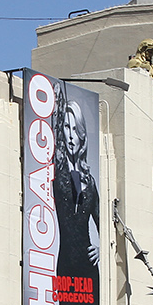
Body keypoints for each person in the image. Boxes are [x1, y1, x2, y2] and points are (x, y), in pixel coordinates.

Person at [53, 95, 100, 277]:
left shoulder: (90, 182)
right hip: (65, 267)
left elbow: (104, 224)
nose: (71, 135)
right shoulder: (57, 171)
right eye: (67, 127)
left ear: (81, 133)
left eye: (75, 128)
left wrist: (101, 248)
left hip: (89, 269)